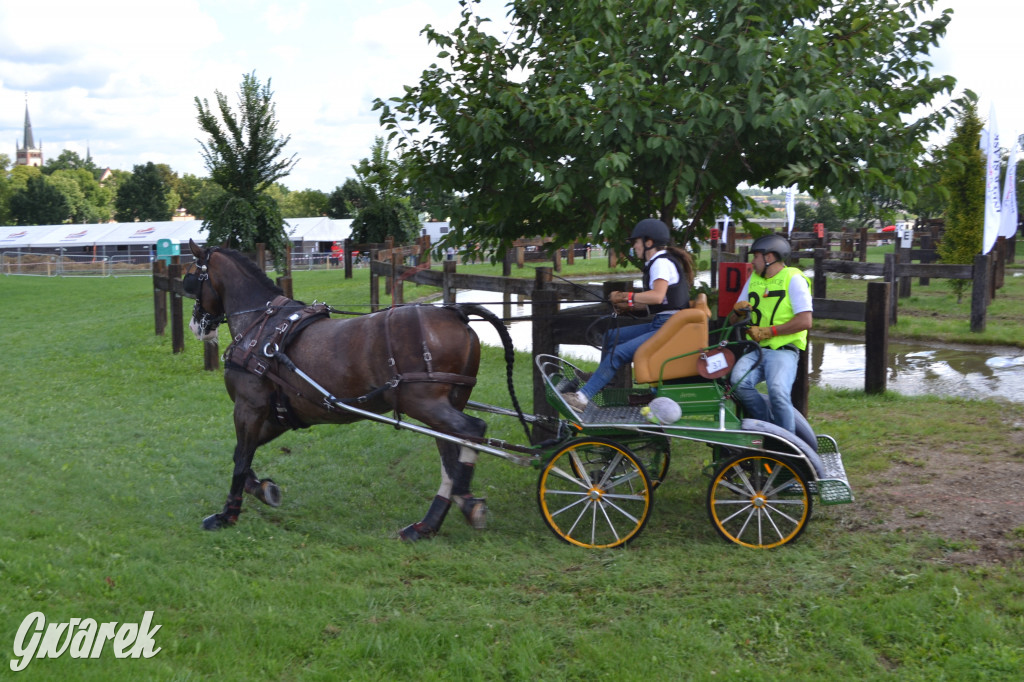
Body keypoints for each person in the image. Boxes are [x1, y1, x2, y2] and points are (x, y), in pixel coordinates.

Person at [563, 218, 694, 413]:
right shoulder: (660, 261)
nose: (634, 246)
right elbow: (663, 301)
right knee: (611, 337)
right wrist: (629, 305)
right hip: (664, 322)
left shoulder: (661, 263)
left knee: (617, 353)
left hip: (669, 326)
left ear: (649, 242)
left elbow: (657, 297)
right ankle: (602, 380)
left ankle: (582, 398)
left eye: (636, 242)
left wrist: (627, 296)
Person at [727, 234, 813, 434]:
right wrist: (738, 312)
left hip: (783, 351)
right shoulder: (753, 280)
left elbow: (805, 321)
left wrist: (769, 331)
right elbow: (733, 320)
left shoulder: (794, 279)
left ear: (770, 257)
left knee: (778, 391)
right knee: (738, 383)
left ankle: (789, 446)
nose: (752, 262)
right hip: (756, 350)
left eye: (755, 256)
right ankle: (769, 429)